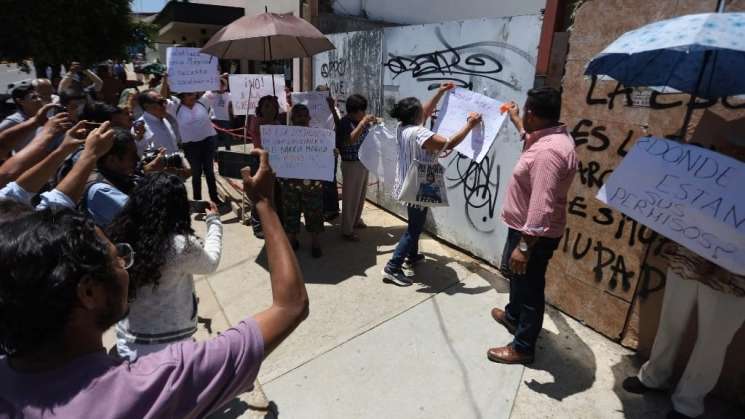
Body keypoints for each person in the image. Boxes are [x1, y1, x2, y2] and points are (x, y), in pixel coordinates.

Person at [0, 149, 309, 418]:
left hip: (129, 344)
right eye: (118, 256)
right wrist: (264, 204)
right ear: (89, 292)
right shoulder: (160, 382)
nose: (125, 263)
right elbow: (290, 306)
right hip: (171, 344)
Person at [487, 87, 577, 365]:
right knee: (517, 279)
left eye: (525, 111)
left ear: (534, 115)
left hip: (533, 236)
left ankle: (524, 347)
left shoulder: (548, 153)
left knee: (529, 289)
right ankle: (513, 317)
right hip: (524, 229)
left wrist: (524, 247)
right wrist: (515, 119)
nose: (523, 115)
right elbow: (529, 138)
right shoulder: (550, 137)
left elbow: (541, 205)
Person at [108, 172, 222, 361]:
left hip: (129, 342)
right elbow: (210, 263)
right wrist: (214, 222)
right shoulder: (179, 245)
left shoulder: (121, 234)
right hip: (171, 350)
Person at [621, 249, 745, 419]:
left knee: (713, 340)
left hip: (737, 268)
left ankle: (689, 403)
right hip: (693, 249)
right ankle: (654, 375)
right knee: (671, 319)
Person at [383, 83, 482, 286]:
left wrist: (439, 92)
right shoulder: (419, 133)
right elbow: (448, 143)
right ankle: (393, 267)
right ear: (416, 116)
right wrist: (470, 125)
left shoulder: (404, 127)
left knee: (414, 222)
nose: (425, 111)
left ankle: (412, 256)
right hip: (417, 187)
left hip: (408, 183)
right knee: (414, 229)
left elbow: (425, 112)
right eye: (421, 110)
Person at [82, 128, 164, 226]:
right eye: (132, 155)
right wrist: (151, 179)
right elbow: (142, 217)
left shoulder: (118, 177)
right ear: (112, 160)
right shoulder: (101, 190)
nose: (137, 160)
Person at [161, 76, 221, 204]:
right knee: (196, 172)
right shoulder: (175, 108)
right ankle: (198, 200)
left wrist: (217, 76)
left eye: (193, 93)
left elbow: (217, 88)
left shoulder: (203, 102)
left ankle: (214, 197)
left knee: (209, 171)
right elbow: (162, 99)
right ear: (182, 97)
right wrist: (165, 81)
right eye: (189, 94)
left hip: (208, 142)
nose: (193, 96)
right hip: (191, 146)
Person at [280, 104, 326, 258]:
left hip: (312, 183)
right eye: (298, 115)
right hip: (290, 183)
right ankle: (292, 240)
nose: (301, 118)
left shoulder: (319, 136)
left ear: (309, 118)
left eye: (304, 115)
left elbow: (324, 155)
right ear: (292, 118)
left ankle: (315, 242)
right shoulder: (282, 135)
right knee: (290, 212)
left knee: (314, 212)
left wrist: (331, 152)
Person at [338, 94, 375, 241]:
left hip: (362, 162)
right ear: (355, 111)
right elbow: (349, 140)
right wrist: (363, 123)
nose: (364, 114)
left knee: (360, 195)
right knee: (350, 197)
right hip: (351, 164)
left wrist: (369, 123)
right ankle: (347, 230)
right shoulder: (345, 122)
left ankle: (356, 220)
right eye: (362, 111)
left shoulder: (361, 121)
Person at [247, 95, 283, 238]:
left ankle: (275, 221)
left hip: (277, 164)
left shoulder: (278, 124)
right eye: (266, 106)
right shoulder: (256, 122)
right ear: (260, 109)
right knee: (260, 195)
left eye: (273, 106)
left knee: (276, 194)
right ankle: (258, 226)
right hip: (260, 164)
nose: (270, 109)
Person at [134, 90, 180, 156]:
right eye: (160, 102)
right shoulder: (139, 127)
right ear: (147, 106)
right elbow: (141, 153)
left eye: (164, 101)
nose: (164, 105)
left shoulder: (165, 120)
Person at [0, 85, 44, 154]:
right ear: (20, 101)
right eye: (34, 97)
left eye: (39, 96)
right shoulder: (14, 120)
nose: (39, 99)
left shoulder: (43, 114)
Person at [203, 74, 234, 150]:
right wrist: (221, 76)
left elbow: (236, 99)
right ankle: (215, 156)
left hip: (225, 120)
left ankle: (228, 153)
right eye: (218, 84)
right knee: (214, 140)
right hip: (214, 119)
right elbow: (208, 87)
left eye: (222, 84)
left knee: (227, 139)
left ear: (225, 86)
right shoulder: (212, 94)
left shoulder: (228, 95)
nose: (220, 86)